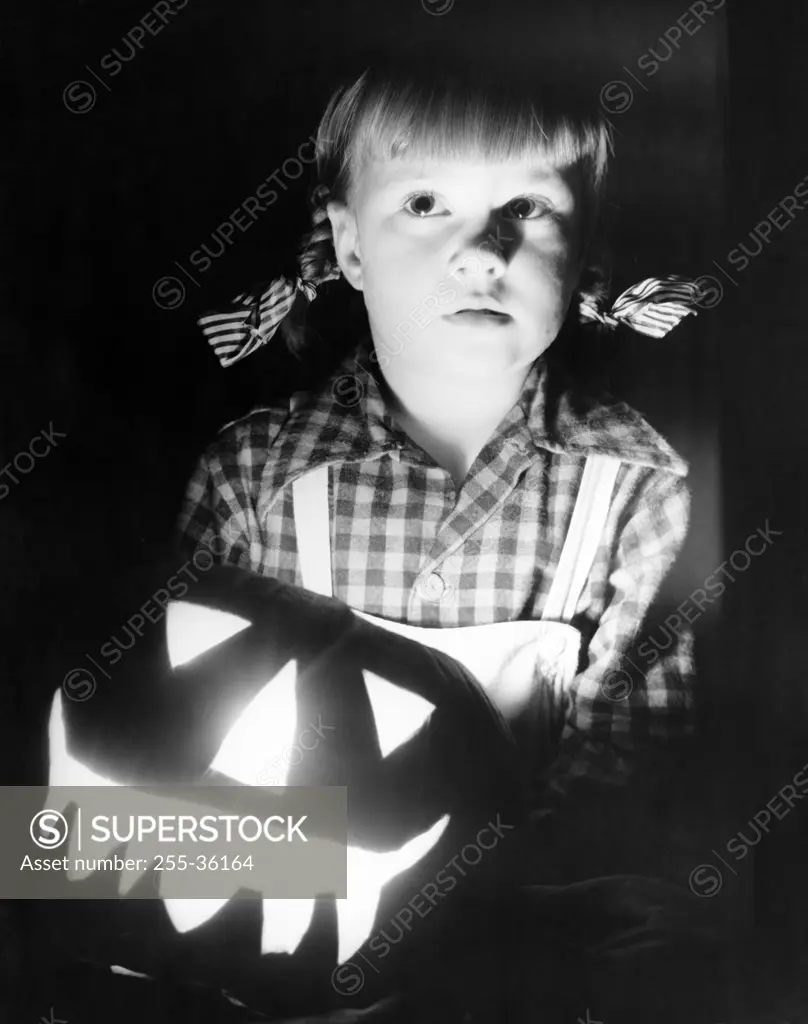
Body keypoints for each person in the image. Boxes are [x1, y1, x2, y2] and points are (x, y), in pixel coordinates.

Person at [177, 54, 718, 1020]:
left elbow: (630, 772)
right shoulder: (252, 480)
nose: (483, 251)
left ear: (584, 250)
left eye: (528, 209)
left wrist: (478, 925)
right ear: (347, 247)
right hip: (295, 951)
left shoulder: (641, 486)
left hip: (529, 938)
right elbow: (161, 765)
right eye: (426, 203)